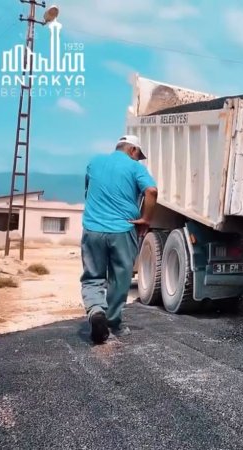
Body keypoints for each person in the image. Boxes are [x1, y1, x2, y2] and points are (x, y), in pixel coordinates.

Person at [80, 134, 158, 344]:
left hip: (93, 229)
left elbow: (87, 191)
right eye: (138, 155)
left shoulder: (95, 161)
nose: (138, 159)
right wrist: (145, 219)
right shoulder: (135, 168)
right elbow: (151, 191)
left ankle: (96, 311)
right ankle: (112, 322)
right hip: (123, 230)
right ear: (132, 150)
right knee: (119, 278)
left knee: (93, 276)